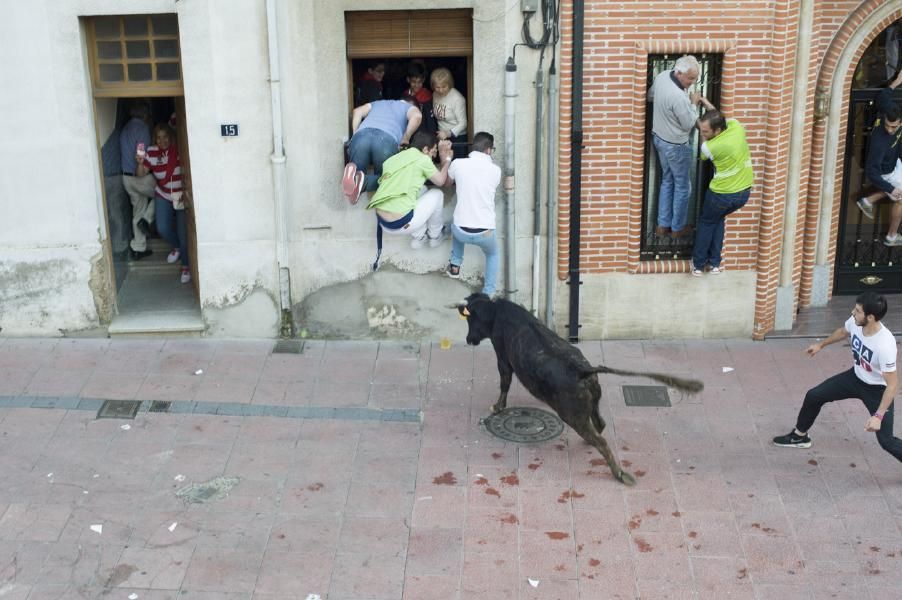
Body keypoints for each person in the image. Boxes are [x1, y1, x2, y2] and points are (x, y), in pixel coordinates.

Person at [773, 292, 902, 463]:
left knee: (886, 441)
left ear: (870, 317)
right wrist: (821, 345)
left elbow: (892, 385)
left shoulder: (885, 345)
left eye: (857, 311)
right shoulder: (856, 322)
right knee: (814, 395)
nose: (852, 313)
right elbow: (843, 331)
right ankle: (799, 436)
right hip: (855, 377)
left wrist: (878, 416)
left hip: (877, 390)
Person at [366, 132, 453, 268]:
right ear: (425, 149)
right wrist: (446, 159)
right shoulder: (422, 159)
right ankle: (435, 236)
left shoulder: (393, 159)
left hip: (383, 222)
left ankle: (419, 237)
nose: (433, 157)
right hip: (401, 223)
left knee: (421, 189)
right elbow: (441, 181)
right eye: (433, 152)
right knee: (437, 194)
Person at [690, 108, 753, 276]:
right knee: (717, 220)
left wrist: (694, 107)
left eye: (705, 131)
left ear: (717, 131)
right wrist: (705, 103)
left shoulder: (711, 147)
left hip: (721, 194)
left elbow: (703, 150)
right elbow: (719, 116)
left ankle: (698, 265)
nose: (703, 133)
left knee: (707, 223)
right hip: (743, 194)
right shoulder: (736, 128)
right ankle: (715, 264)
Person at [648, 55, 704, 238]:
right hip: (676, 147)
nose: (691, 82)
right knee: (682, 187)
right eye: (690, 78)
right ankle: (677, 228)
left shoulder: (663, 76)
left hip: (659, 139)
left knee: (667, 180)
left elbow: (651, 96)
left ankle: (662, 226)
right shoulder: (679, 96)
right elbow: (688, 124)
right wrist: (693, 103)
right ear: (679, 72)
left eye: (694, 78)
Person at [445, 132, 502, 297]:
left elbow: (447, 182)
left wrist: (446, 158)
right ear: (489, 150)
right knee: (493, 254)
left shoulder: (458, 164)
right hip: (485, 232)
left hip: (460, 232)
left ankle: (455, 265)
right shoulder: (495, 171)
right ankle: (488, 292)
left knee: (458, 223)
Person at [135, 123, 190, 284]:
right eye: (158, 137)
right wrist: (140, 162)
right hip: (163, 193)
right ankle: (177, 247)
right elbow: (140, 174)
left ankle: (186, 266)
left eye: (165, 136)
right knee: (162, 228)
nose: (162, 140)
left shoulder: (180, 148)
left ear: (171, 136)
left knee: (184, 234)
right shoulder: (151, 152)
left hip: (181, 196)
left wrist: (188, 193)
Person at [341, 98, 422, 205]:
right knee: (388, 181)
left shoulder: (378, 103)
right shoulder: (408, 107)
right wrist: (406, 137)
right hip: (385, 140)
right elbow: (417, 116)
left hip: (361, 136)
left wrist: (355, 134)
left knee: (355, 182)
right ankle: (364, 182)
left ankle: (355, 177)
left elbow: (357, 111)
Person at [855, 70, 902, 246]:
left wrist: (896, 82)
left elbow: (883, 96)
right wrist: (890, 187)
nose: (889, 129)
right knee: (900, 196)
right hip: (885, 171)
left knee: (896, 190)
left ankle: (868, 200)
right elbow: (871, 171)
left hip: (895, 163)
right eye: (888, 126)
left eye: (894, 127)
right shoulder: (880, 143)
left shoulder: (886, 108)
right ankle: (891, 236)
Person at [120, 100, 157, 260]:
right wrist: (141, 170)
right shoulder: (142, 129)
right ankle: (147, 219)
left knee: (138, 210)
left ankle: (138, 248)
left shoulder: (125, 128)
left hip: (125, 178)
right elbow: (141, 152)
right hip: (139, 177)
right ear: (145, 114)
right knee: (166, 192)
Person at [430, 67, 468, 159]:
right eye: (437, 87)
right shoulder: (435, 94)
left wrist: (448, 133)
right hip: (442, 136)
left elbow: (463, 123)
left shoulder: (457, 99)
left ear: (449, 84)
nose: (441, 90)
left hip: (457, 137)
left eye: (444, 87)